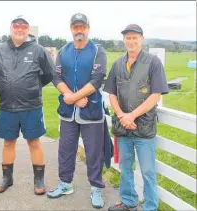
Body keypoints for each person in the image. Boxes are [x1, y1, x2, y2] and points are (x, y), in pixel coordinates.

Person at [104, 24, 169, 211]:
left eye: (135, 37)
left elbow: (156, 94)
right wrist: (122, 116)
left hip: (144, 128)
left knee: (148, 171)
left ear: (142, 39)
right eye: (128, 38)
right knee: (125, 168)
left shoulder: (153, 62)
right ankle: (128, 201)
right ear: (124, 40)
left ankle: (150, 206)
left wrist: (131, 115)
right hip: (123, 127)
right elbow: (112, 94)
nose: (131, 41)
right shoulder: (117, 64)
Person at [47, 13, 108, 209]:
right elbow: (56, 78)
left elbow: (97, 79)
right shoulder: (63, 51)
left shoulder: (98, 51)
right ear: (71, 29)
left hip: (91, 111)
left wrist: (74, 97)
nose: (79, 30)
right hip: (68, 112)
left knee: (93, 152)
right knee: (65, 149)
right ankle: (65, 184)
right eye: (75, 27)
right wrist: (72, 99)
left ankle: (96, 188)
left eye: (82, 26)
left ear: (88, 28)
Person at [0, 15, 55, 195]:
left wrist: (31, 87)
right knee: (8, 142)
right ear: (11, 28)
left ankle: (39, 180)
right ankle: (6, 178)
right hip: (7, 106)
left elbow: (49, 74)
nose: (20, 29)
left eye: (24, 27)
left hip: (31, 106)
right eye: (16, 26)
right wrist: (5, 87)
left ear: (28, 30)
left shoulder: (38, 50)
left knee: (34, 142)